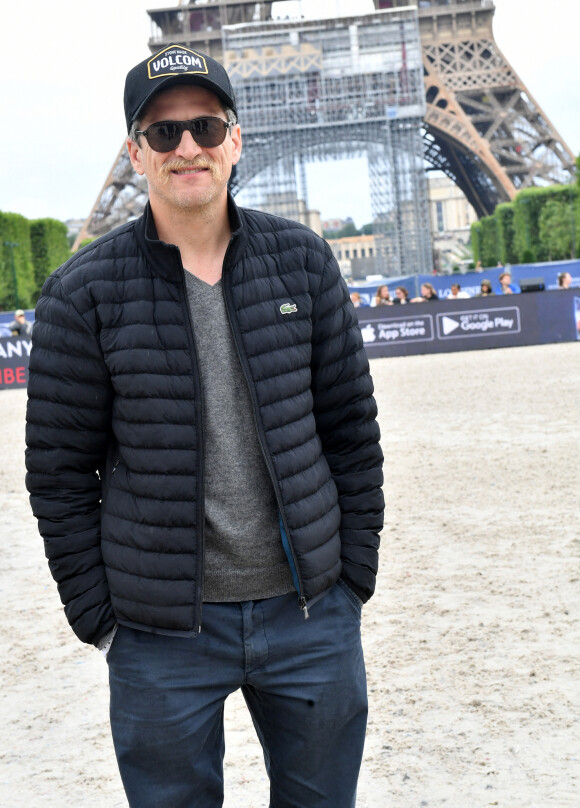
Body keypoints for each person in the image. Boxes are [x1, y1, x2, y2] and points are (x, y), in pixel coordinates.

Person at [25, 44, 384, 808]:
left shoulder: (305, 262)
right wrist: (102, 620)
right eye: (162, 134)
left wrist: (351, 578)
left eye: (205, 127)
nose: (187, 146)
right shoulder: (81, 293)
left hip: (311, 613)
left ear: (235, 139)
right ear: (135, 153)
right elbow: (58, 473)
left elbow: (351, 430)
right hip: (158, 632)